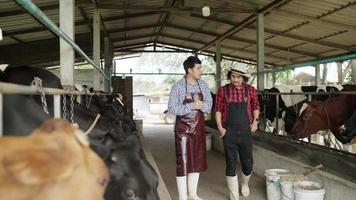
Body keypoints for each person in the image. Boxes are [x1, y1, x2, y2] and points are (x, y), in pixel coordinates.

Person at [168, 56, 212, 200]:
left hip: (198, 128)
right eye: (198, 68)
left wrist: (202, 106)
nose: (201, 71)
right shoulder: (178, 86)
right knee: (184, 161)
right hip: (183, 130)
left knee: (197, 160)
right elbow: (172, 108)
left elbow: (209, 104)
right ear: (189, 70)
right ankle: (182, 197)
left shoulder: (203, 85)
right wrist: (191, 106)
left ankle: (192, 194)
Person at [215, 65, 260, 200]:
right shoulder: (223, 91)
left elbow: (256, 106)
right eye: (233, 76)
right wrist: (220, 128)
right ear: (230, 76)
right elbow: (218, 110)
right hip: (229, 132)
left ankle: (245, 184)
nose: (235, 79)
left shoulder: (251, 90)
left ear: (244, 78)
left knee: (248, 163)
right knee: (231, 162)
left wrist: (255, 122)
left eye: (239, 77)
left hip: (246, 130)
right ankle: (234, 196)